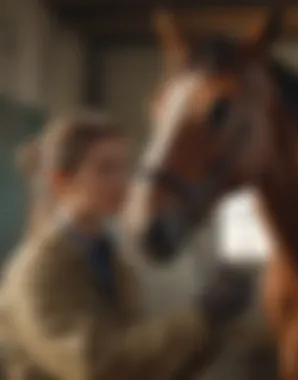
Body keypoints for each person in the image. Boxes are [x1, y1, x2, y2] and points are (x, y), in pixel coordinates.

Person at [0, 112, 252, 380]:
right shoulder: (37, 272)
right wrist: (200, 318)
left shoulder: (110, 261)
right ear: (61, 181)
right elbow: (96, 366)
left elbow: (143, 366)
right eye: (105, 169)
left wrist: (213, 324)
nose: (122, 183)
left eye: (125, 167)